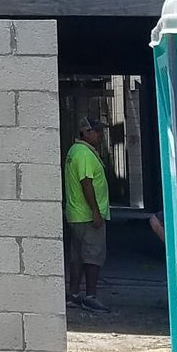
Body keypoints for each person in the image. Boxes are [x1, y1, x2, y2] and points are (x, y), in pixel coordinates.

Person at [63, 115, 110, 312]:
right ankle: (90, 296)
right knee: (92, 256)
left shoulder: (76, 151)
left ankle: (73, 295)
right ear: (86, 132)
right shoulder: (83, 153)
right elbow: (86, 182)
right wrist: (96, 212)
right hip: (87, 216)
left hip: (77, 215)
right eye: (97, 131)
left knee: (78, 257)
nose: (101, 135)